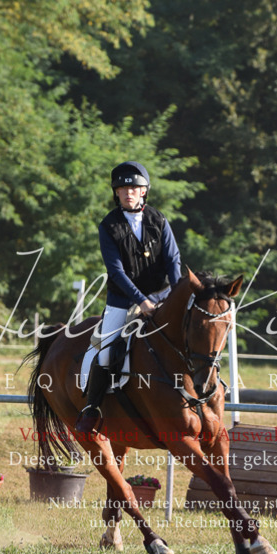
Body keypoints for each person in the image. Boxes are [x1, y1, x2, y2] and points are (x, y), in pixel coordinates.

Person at [75, 161, 182, 434]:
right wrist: (141, 301)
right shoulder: (108, 225)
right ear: (117, 193)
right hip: (123, 300)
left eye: (134, 187)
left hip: (162, 294)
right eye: (122, 188)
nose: (128, 192)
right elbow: (116, 272)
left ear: (144, 191)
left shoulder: (159, 220)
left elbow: (173, 260)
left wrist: (177, 293)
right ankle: (93, 408)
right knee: (107, 352)